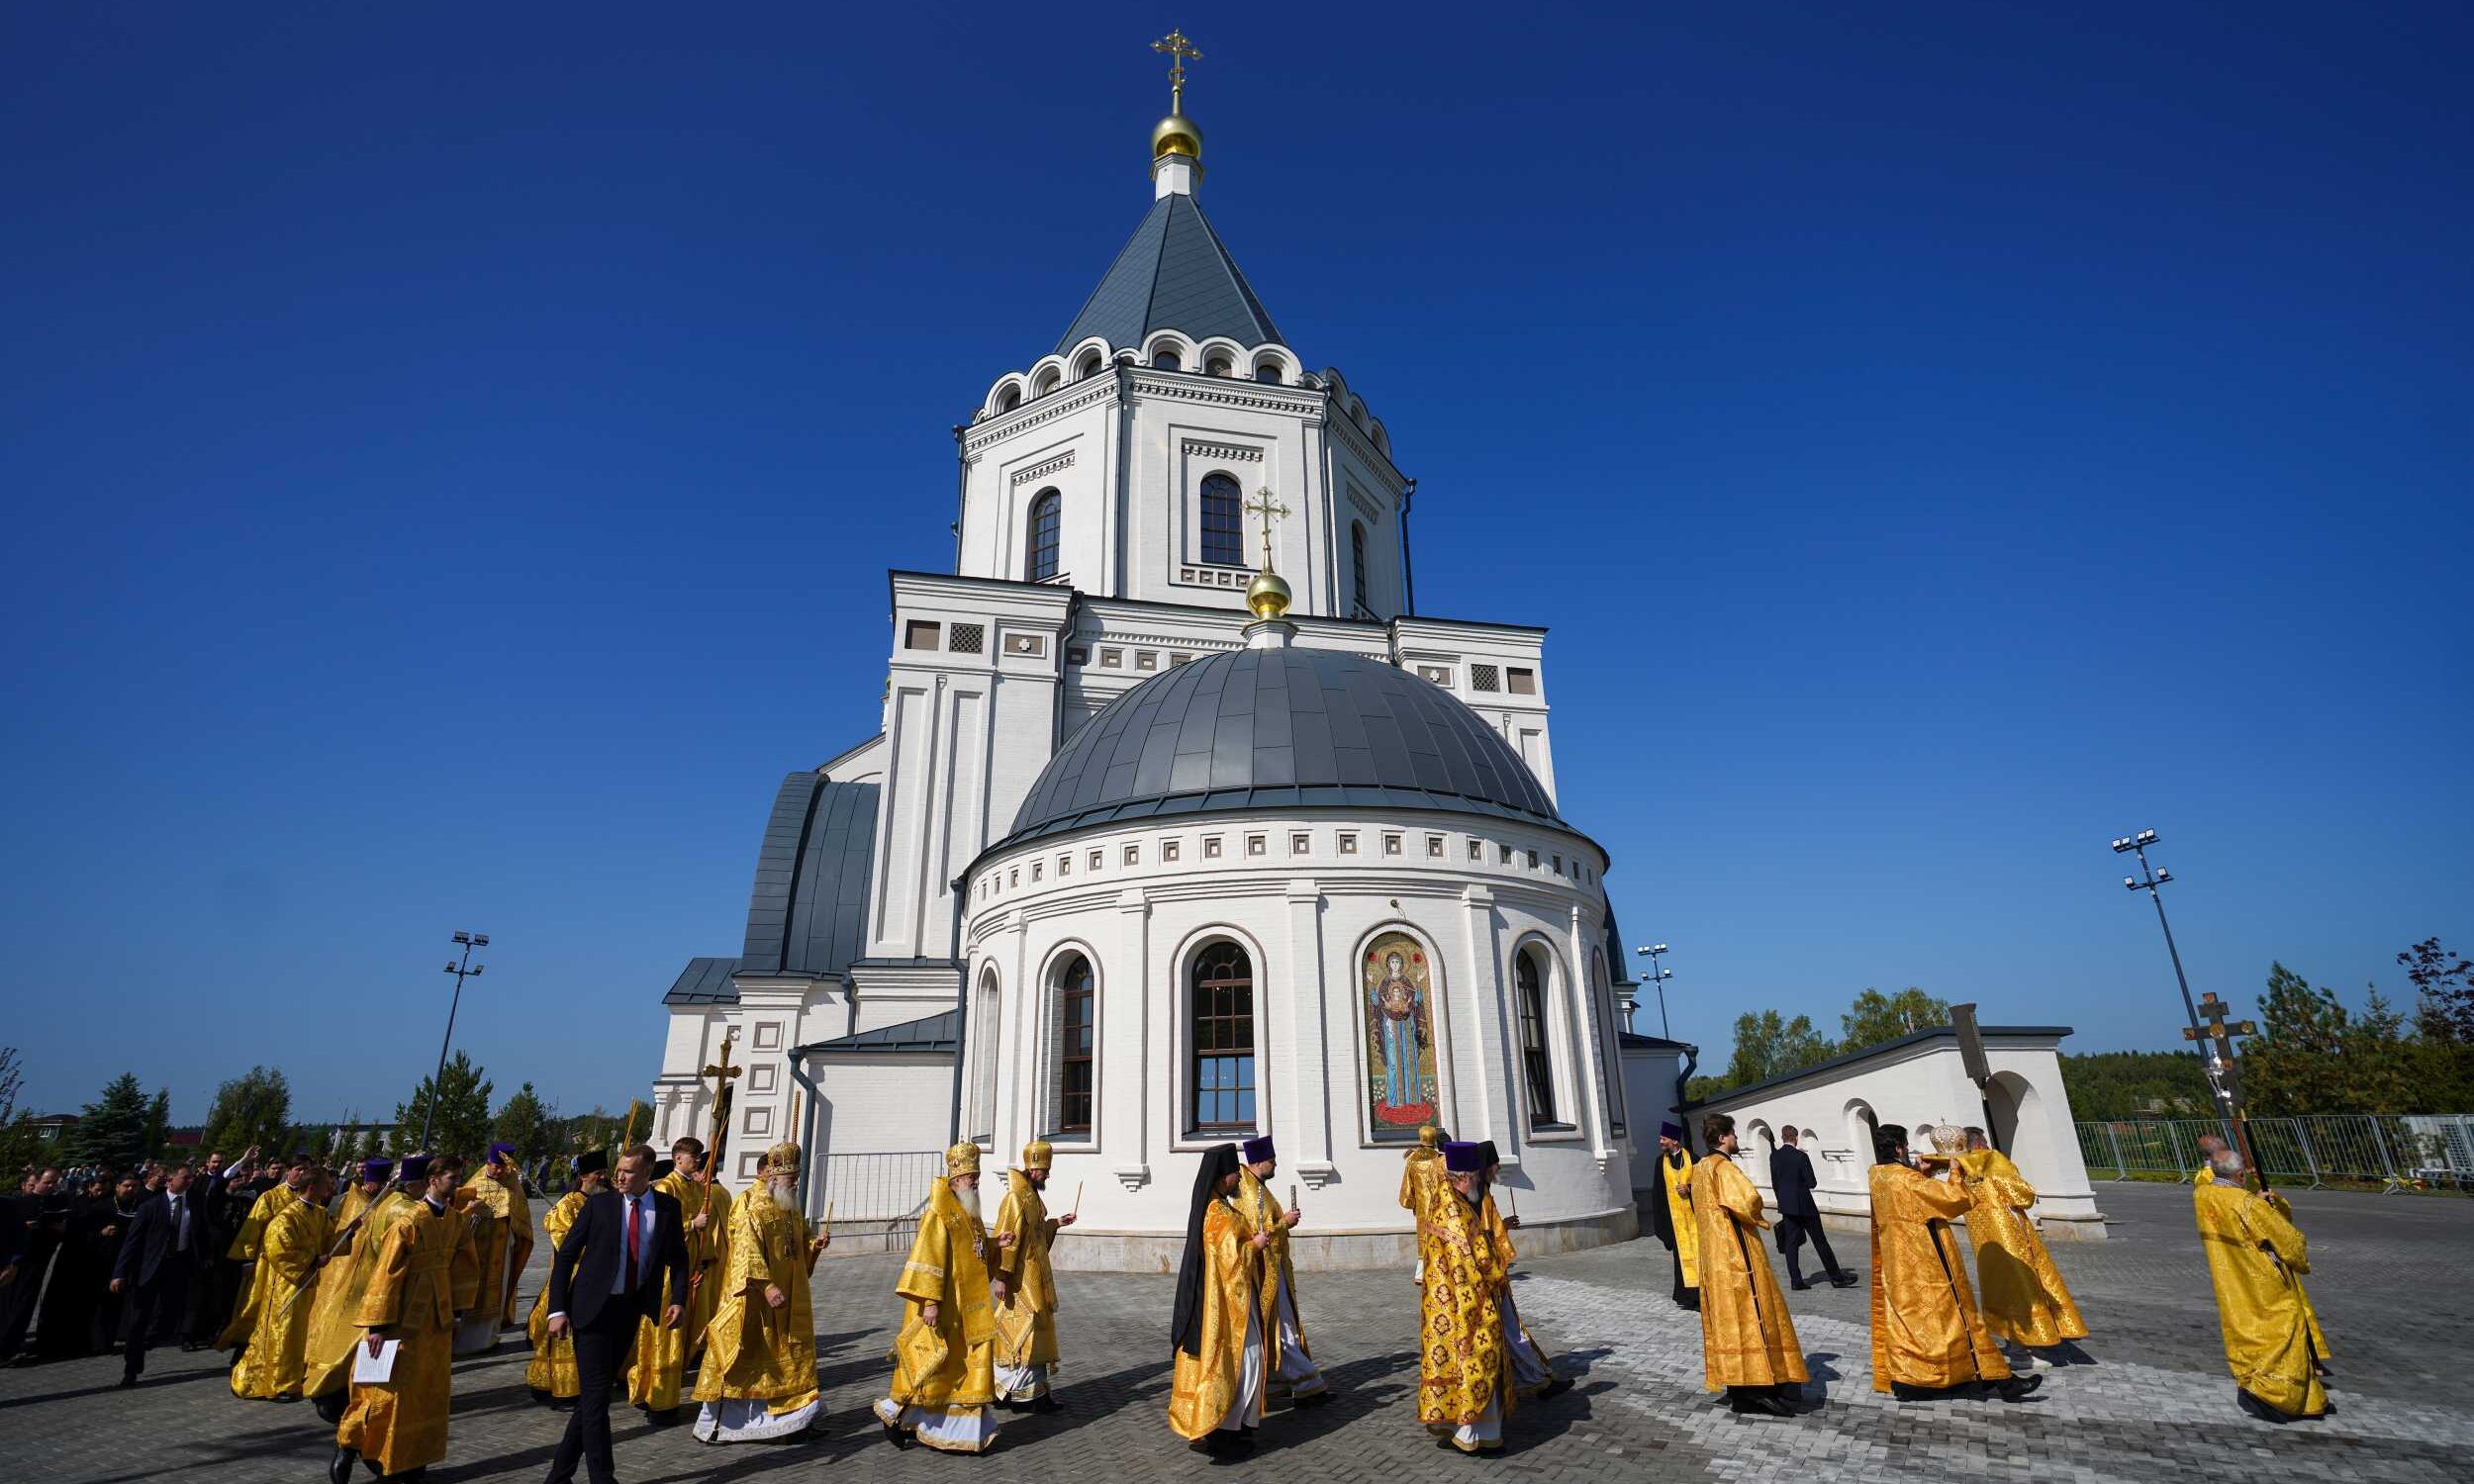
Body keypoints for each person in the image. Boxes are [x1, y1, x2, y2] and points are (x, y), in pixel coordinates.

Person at [539, 1144, 689, 1484]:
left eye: (629, 1171)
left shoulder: (666, 1208)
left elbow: (678, 1258)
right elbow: (566, 1256)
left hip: (630, 1310)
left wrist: (678, 1299)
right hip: (590, 1310)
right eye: (619, 1169)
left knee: (595, 1398)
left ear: (647, 1174)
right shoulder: (600, 1205)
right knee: (595, 1397)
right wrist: (556, 1310)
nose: (619, 1176)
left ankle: (557, 1476)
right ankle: (602, 1477)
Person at [332, 1153, 483, 1484]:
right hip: (401, 1320)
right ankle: (354, 1447)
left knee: (427, 1392)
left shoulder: (457, 1222)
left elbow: (464, 1269)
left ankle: (414, 1460)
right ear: (432, 1180)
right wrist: (378, 1326)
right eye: (452, 1178)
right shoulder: (409, 1221)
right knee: (385, 1391)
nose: (458, 1184)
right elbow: (386, 1274)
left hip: (437, 1321)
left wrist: (457, 1315)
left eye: (459, 1178)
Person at [1868, 1125, 2039, 1402]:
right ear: (1899, 1148)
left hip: (1899, 1268)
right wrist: (1955, 1170)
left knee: (1912, 1326)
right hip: (1929, 1264)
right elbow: (1956, 1200)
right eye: (1906, 1145)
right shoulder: (1906, 1180)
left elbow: (1911, 1200)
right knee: (1959, 1319)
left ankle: (1911, 1380)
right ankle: (1999, 1380)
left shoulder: (1878, 1175)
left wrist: (1922, 1172)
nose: (1909, 1149)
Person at [876, 1142, 1007, 1453]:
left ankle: (959, 1432)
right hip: (943, 1306)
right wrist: (930, 1303)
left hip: (970, 1309)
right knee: (932, 1369)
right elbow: (928, 1258)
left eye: (976, 1175)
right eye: (969, 1176)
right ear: (955, 1179)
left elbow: (974, 1252)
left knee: (960, 1371)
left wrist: (994, 1243)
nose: (975, 1181)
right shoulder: (939, 1212)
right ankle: (897, 1416)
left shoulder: (970, 1211)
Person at [692, 1141, 827, 1442]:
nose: (795, 1183)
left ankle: (795, 1420)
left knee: (792, 1358)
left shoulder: (789, 1207)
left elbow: (798, 1241)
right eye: (791, 1177)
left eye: (797, 1177)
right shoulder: (754, 1208)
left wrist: (813, 1245)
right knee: (757, 1361)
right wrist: (766, 1286)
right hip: (758, 1302)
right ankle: (742, 1424)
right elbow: (746, 1253)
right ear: (772, 1177)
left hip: (792, 1299)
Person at [2194, 1147, 2327, 1423]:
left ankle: (2251, 1381)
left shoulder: (2203, 1195)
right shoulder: (2246, 1204)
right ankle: (2276, 1396)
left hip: (2231, 1279)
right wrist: (2266, 1206)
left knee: (2243, 1331)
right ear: (2241, 1174)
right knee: (2281, 1331)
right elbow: (2289, 1241)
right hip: (2263, 1280)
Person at [1689, 1114, 1807, 1417]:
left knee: (1730, 1321)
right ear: (1722, 1138)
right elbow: (1748, 1201)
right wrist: (1759, 1215)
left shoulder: (1699, 1168)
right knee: (1754, 1314)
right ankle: (1758, 1388)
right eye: (1733, 1135)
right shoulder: (1723, 1167)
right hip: (1736, 1255)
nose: (1736, 1140)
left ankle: (1739, 1386)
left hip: (1713, 1259)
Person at [1167, 1143, 1273, 1457]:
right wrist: (1255, 1244)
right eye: (1232, 1174)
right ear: (1221, 1177)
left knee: (1247, 1361)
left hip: (1230, 1299)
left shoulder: (1216, 1208)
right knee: (1247, 1360)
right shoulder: (1218, 1214)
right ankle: (1225, 1429)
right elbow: (1230, 1260)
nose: (1238, 1179)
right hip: (1226, 1304)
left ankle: (1236, 1427)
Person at [1951, 1127, 2085, 1357]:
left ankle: (2012, 1338)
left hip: (1983, 1239)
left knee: (1998, 1285)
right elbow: (2023, 1195)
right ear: (1981, 1143)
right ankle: (2028, 1341)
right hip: (2009, 1232)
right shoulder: (1993, 1160)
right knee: (2025, 1282)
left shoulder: (1959, 1166)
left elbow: (1954, 1197)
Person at [1415, 1141, 1513, 1452]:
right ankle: (1478, 1435)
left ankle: (1458, 1428)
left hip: (1443, 1305)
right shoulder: (1457, 1212)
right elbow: (1470, 1263)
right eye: (1474, 1175)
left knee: (1453, 1366)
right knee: (1479, 1361)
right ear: (1466, 1177)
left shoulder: (1445, 1203)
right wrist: (1497, 1275)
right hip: (1468, 1302)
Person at [629, 1135, 729, 1424]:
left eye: (699, 1157)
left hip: (688, 1272)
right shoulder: (665, 1186)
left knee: (683, 1336)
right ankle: (657, 1399)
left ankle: (668, 1395)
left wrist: (702, 1265)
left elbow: (705, 1236)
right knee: (663, 1335)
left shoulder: (697, 1189)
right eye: (692, 1157)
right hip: (665, 1276)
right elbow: (655, 1228)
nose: (697, 1161)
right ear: (677, 1159)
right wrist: (691, 1224)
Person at [306, 1159, 411, 1424]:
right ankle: (330, 1391)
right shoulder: (348, 1201)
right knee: (337, 1340)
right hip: (344, 1284)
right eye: (366, 1181)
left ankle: (360, 1398)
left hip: (373, 1286)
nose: (369, 1186)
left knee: (362, 1343)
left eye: (373, 1181)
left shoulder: (393, 1206)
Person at [229, 1163, 335, 1400]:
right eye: (323, 1184)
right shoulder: (286, 1217)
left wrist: (351, 1230)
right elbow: (278, 1250)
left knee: (299, 1333)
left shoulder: (319, 1213)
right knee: (283, 1332)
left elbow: (330, 1238)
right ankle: (277, 1383)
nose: (329, 1188)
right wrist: (312, 1260)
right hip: (287, 1284)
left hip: (307, 1283)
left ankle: (292, 1378)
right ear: (310, 1187)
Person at [1236, 1135, 1327, 1407]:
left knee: (1281, 1327)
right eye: (1272, 1162)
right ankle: (1309, 1384)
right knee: (1283, 1327)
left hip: (1275, 1268)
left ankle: (1277, 1383)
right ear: (1260, 1162)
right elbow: (1258, 1235)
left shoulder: (1256, 1185)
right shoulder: (1251, 1193)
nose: (1275, 1165)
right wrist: (1285, 1223)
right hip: (1266, 1274)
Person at [1475, 1141, 1569, 1399]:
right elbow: (1481, 1236)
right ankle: (1534, 1379)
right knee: (1511, 1331)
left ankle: (1532, 1377)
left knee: (1510, 1330)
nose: (1498, 1168)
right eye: (1495, 1164)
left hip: (1494, 1274)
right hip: (1490, 1277)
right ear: (1486, 1166)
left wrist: (1503, 1226)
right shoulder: (1479, 1195)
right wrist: (1503, 1226)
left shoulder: (1483, 1192)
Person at [991, 1139, 1076, 1411]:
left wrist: (1056, 1224)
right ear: (1031, 1169)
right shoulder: (1015, 1198)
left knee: (1037, 1329)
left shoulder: (1031, 1196)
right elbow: (1008, 1239)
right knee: (1022, 1331)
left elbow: (1036, 1234)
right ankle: (1009, 1390)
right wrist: (1002, 1276)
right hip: (1020, 1279)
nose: (1048, 1175)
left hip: (1036, 1275)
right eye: (1044, 1171)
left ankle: (1023, 1392)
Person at [526, 1152, 606, 1409]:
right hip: (570, 1278)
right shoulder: (567, 1205)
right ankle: (562, 1390)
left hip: (595, 1278)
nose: (602, 1178)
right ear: (583, 1176)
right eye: (598, 1174)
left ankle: (582, 1383)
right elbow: (565, 1244)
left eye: (604, 1173)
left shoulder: (604, 1201)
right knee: (564, 1337)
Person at [111, 1161, 199, 1387]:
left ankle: (149, 1341)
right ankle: (131, 1367)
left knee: (170, 1315)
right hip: (150, 1269)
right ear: (171, 1181)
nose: (190, 1181)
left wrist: (203, 1258)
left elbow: (200, 1233)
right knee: (139, 1319)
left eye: (191, 1178)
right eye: (185, 1178)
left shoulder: (194, 1204)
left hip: (178, 1267)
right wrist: (119, 1272)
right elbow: (132, 1242)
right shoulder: (150, 1207)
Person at [453, 1143, 532, 1355]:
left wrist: (515, 1228)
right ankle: (463, 1340)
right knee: (471, 1289)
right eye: (494, 1166)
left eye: (502, 1168)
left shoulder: (513, 1186)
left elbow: (522, 1218)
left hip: (501, 1247)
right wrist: (471, 1212)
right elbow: (458, 1213)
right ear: (487, 1163)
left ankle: (488, 1337)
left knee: (496, 1291)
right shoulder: (474, 1183)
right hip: (475, 1247)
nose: (498, 1171)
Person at [1768, 1127, 1856, 1290]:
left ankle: (1796, 1281)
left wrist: (1783, 1201)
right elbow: (1811, 1182)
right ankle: (1836, 1278)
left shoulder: (1774, 1156)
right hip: (1805, 1206)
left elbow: (1775, 1183)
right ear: (1795, 1138)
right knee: (1820, 1241)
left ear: (1782, 1137)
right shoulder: (1800, 1156)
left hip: (1787, 1207)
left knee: (1791, 1244)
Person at [0, 1166, 66, 1362]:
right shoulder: (19, 1203)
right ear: (35, 1182)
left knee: (24, 1304)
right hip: (12, 1262)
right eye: (47, 1182)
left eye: (54, 1182)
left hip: (36, 1260)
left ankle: (9, 1346)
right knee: (6, 1304)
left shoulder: (56, 1202)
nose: (51, 1186)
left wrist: (59, 1228)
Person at [1650, 1122, 1700, 1311]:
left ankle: (1702, 1297)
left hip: (1695, 1222)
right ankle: (1687, 1298)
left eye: (1664, 1138)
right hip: (1676, 1223)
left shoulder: (1694, 1159)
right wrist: (1663, 1227)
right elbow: (1658, 1195)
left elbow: (1705, 1188)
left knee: (1699, 1259)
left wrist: (1690, 1189)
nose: (1660, 1141)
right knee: (1681, 1261)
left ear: (1675, 1141)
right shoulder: (1659, 1163)